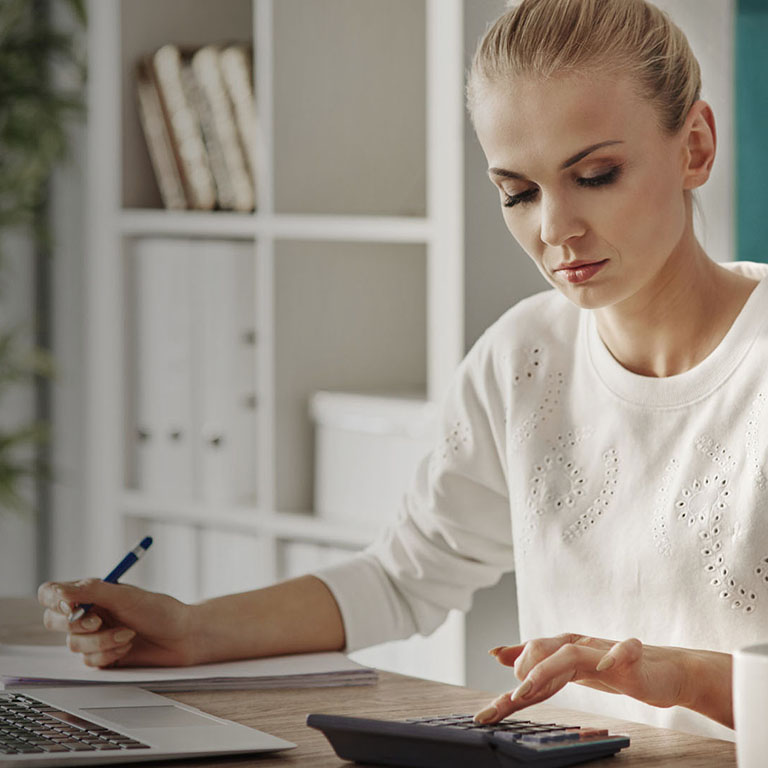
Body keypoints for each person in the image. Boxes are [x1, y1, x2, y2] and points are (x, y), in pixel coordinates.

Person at [38, 0, 767, 741]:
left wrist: (678, 677)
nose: (554, 229)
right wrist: (191, 629)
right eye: (517, 191)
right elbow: (404, 574)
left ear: (696, 146)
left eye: (597, 173)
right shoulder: (524, 359)